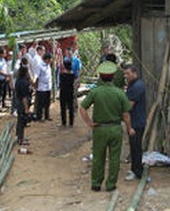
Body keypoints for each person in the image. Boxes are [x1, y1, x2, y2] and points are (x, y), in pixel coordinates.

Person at [79, 61, 134, 192]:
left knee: (98, 157)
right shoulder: (120, 93)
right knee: (114, 158)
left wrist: (89, 123)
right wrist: (129, 128)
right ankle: (111, 185)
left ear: (100, 76)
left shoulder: (95, 92)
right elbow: (126, 115)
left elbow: (82, 108)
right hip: (115, 129)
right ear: (113, 76)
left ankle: (96, 184)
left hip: (100, 129)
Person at [123, 64, 147, 181]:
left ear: (134, 73)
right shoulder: (133, 85)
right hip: (135, 120)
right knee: (134, 146)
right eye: (125, 74)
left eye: (128, 73)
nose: (126, 76)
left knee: (136, 147)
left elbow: (129, 105)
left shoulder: (137, 87)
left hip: (136, 122)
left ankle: (138, 172)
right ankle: (134, 168)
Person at [15, 65, 33, 146]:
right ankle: (20, 139)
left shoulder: (18, 81)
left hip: (18, 102)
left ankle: (19, 136)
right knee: (22, 121)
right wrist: (26, 108)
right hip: (22, 103)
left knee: (19, 120)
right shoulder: (24, 83)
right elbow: (24, 97)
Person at [34, 52, 53, 121]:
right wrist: (35, 86)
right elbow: (36, 76)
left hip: (48, 87)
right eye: (50, 59)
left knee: (47, 102)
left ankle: (47, 115)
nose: (51, 61)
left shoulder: (48, 65)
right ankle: (39, 116)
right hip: (41, 88)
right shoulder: (39, 66)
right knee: (41, 103)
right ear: (47, 59)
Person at [59, 57, 76, 126]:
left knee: (63, 107)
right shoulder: (72, 75)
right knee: (71, 107)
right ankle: (71, 122)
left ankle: (64, 122)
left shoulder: (61, 75)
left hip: (63, 92)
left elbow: (60, 84)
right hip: (70, 92)